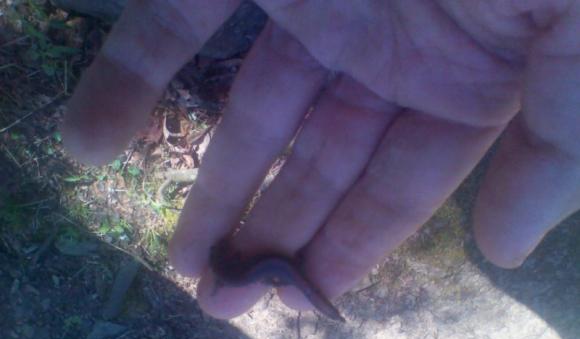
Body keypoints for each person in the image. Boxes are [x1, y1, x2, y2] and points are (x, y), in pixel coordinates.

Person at [62, 0, 580, 320]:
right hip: (255, 267)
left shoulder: (243, 265)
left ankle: (298, 290)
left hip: (257, 267)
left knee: (263, 267)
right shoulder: (242, 265)